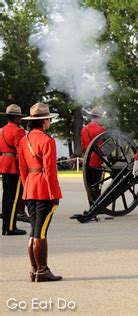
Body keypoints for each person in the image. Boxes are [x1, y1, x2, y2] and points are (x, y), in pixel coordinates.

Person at [18, 102, 62, 282]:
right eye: (49, 119)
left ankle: (34, 270)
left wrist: (26, 188)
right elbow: (50, 171)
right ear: (44, 121)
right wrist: (54, 194)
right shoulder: (47, 140)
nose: (50, 122)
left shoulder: (24, 140)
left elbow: (22, 168)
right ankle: (42, 271)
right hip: (44, 190)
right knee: (41, 233)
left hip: (30, 187)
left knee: (34, 231)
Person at [0, 104, 27, 235]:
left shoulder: (2, 130)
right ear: (16, 117)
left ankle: (6, 226)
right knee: (14, 198)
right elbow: (21, 151)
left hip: (4, 164)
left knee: (6, 197)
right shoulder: (18, 131)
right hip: (14, 166)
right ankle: (10, 227)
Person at [81, 106, 106, 205]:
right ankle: (98, 205)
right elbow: (103, 148)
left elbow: (83, 147)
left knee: (89, 185)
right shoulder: (101, 129)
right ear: (98, 117)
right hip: (96, 162)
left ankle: (91, 204)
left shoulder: (84, 129)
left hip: (87, 160)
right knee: (97, 185)